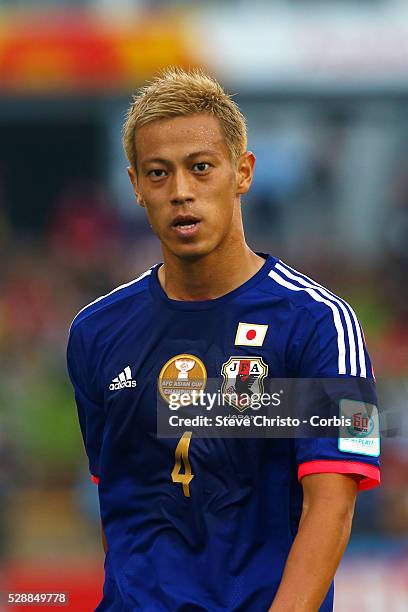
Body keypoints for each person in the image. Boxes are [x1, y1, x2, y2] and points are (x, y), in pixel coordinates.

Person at [67, 68, 380, 611]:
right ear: (137, 186)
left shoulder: (322, 324)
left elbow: (332, 508)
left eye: (201, 168)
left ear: (243, 172)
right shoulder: (94, 333)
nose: (181, 192)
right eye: (158, 173)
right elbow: (119, 496)